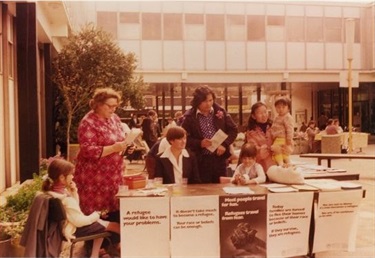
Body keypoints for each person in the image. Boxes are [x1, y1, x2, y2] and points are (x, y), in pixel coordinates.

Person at [42, 159, 120, 258]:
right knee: (114, 226)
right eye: (70, 174)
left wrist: (74, 191)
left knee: (102, 223)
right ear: (62, 177)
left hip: (69, 226)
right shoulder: (65, 198)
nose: (73, 177)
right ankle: (128, 250)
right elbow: (79, 221)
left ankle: (94, 255)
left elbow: (75, 209)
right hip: (74, 229)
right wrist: (97, 214)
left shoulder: (56, 192)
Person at [74, 88, 130, 220]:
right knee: (97, 214)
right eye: (109, 106)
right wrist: (114, 148)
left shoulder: (115, 119)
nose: (113, 109)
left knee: (114, 210)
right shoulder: (88, 122)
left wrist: (126, 146)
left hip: (113, 176)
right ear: (98, 104)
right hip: (94, 178)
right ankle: (95, 239)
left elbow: (120, 140)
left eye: (115, 106)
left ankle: (112, 239)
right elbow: (87, 150)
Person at [181, 86, 238, 183]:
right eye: (205, 101)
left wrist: (224, 144)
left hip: (219, 158)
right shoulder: (189, 117)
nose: (208, 104)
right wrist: (199, 143)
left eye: (210, 100)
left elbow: (233, 130)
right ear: (198, 102)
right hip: (200, 160)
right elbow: (184, 138)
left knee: (221, 187)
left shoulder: (220, 112)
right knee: (203, 188)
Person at [246, 102, 277, 173]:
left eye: (265, 112)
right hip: (261, 168)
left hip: (277, 164)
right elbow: (253, 149)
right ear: (253, 116)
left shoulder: (274, 126)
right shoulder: (251, 132)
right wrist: (260, 151)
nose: (264, 115)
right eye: (260, 113)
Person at [270, 97, 295, 167]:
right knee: (283, 153)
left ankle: (281, 164)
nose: (280, 109)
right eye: (278, 107)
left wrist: (289, 140)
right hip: (277, 138)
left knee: (275, 149)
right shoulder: (277, 117)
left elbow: (290, 129)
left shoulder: (287, 117)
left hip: (283, 138)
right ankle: (288, 163)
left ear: (288, 108)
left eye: (283, 107)